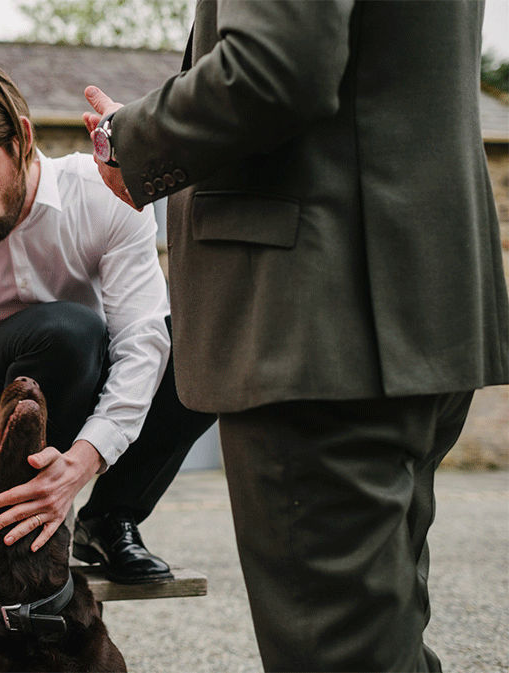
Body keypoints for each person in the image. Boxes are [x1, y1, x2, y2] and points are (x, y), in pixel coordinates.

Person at [84, 1, 509, 670]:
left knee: (337, 650)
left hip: (313, 320)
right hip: (414, 298)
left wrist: (129, 141)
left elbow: (277, 62)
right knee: (384, 637)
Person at [0, 58, 216, 585]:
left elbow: (141, 341)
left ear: (21, 139)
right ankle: (21, 520)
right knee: (68, 331)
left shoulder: (106, 195)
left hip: (91, 370)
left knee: (200, 342)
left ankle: (109, 518)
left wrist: (86, 459)